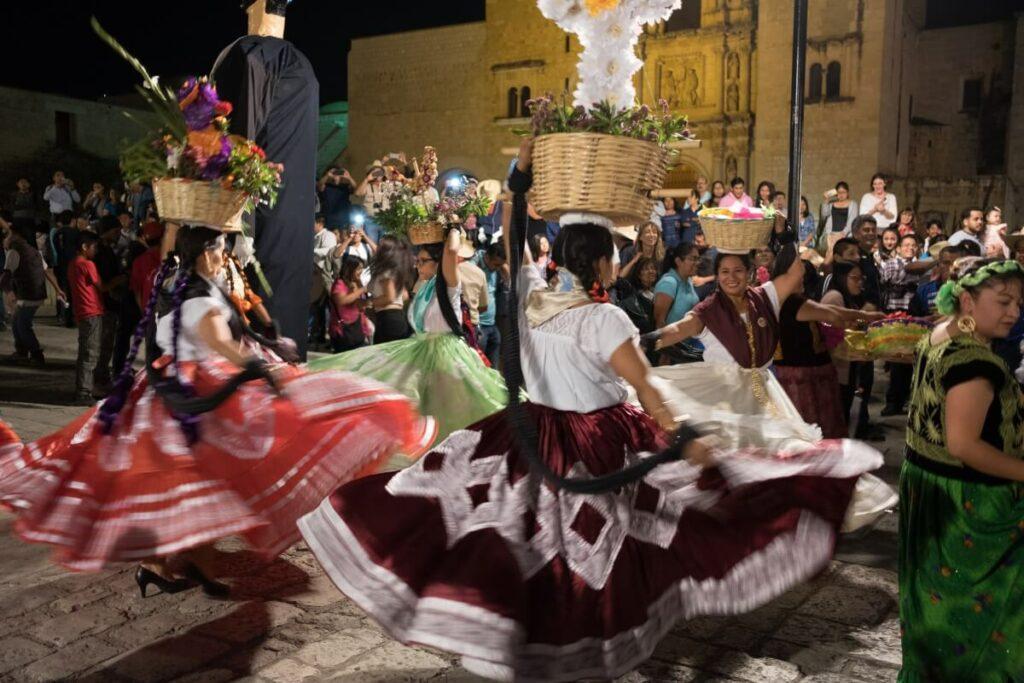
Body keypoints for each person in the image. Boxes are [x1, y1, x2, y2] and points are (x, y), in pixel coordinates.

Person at [296, 144, 886, 681]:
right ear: (603, 263)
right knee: (626, 542)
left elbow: (513, 235)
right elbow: (648, 391)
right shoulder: (604, 319)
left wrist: (519, 177)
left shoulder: (529, 295)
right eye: (613, 257)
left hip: (531, 431)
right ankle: (583, 640)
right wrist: (687, 438)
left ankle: (539, 638)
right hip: (598, 441)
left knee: (528, 541)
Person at [0, 223, 432, 588]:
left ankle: (177, 562)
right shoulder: (200, 297)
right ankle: (168, 562)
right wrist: (266, 371)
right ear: (206, 254)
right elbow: (220, 343)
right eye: (222, 249)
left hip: (165, 391)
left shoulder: (176, 283)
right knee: (200, 479)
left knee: (192, 485)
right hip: (187, 396)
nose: (226, 255)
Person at [898, 257, 1024, 681]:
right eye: (1003, 301)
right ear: (967, 300)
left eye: (1019, 302)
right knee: (982, 617)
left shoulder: (937, 334)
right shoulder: (976, 364)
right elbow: (964, 444)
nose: (1014, 312)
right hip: (968, 506)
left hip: (928, 489)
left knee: (935, 606)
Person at [308, 228, 507, 444]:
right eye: (418, 260)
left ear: (439, 262)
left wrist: (452, 227)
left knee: (450, 410)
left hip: (447, 355)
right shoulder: (427, 285)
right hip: (428, 350)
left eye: (423, 261)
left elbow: (450, 250)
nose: (417, 265)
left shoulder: (450, 285)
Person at [773, 256, 878, 439]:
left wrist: (864, 316)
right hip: (804, 377)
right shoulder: (793, 303)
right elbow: (832, 315)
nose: (804, 279)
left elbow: (832, 313)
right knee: (813, 430)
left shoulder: (788, 300)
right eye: (800, 275)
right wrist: (864, 317)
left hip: (801, 373)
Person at [821, 261, 879, 438]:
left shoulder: (846, 298)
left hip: (846, 368)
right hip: (835, 371)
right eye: (855, 278)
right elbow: (835, 337)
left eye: (862, 279)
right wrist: (862, 317)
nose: (859, 282)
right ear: (842, 278)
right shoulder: (834, 297)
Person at [2, 222, 64, 365]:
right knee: (17, 322)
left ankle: (36, 354)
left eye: (9, 234)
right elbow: (47, 271)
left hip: (27, 294)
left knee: (22, 324)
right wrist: (57, 289)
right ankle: (22, 351)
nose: (6, 238)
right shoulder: (33, 250)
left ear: (16, 236)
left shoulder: (14, 252)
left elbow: (4, 279)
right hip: (37, 293)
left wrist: (9, 293)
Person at [67, 231, 106, 404]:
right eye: (94, 247)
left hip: (82, 311)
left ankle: (84, 389)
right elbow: (101, 287)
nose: (96, 251)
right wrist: (120, 279)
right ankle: (83, 392)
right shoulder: (87, 264)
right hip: (91, 310)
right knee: (90, 353)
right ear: (84, 247)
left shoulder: (73, 264)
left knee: (85, 351)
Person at [366, 236, 413, 344]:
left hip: (389, 319)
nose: (377, 248)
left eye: (381, 246)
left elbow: (389, 297)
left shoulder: (386, 271)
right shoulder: (395, 270)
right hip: (395, 317)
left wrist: (367, 302)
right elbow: (405, 295)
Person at [328, 255, 370, 352]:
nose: (361, 272)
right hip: (342, 331)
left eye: (362, 269)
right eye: (359, 269)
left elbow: (359, 306)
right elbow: (342, 301)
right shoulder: (339, 283)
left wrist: (367, 303)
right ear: (350, 268)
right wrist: (361, 290)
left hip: (358, 329)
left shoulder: (358, 283)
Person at [474, 242, 507, 368]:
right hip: (479, 326)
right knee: (479, 366)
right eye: (496, 264)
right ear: (487, 257)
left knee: (494, 366)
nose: (498, 268)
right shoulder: (475, 265)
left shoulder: (498, 269)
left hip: (492, 324)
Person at [910, 244, 961, 318]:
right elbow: (912, 319)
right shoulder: (923, 291)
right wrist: (928, 320)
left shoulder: (969, 290)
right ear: (939, 264)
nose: (951, 267)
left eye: (956, 263)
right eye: (946, 263)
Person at [129, 221, 165, 311]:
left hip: (149, 311)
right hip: (166, 312)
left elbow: (137, 291)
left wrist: (143, 312)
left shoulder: (138, 261)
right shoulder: (170, 258)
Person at [818, 181, 859, 251]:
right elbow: (824, 215)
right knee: (829, 247)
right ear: (836, 193)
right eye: (839, 192)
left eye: (843, 192)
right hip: (830, 234)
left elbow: (852, 221)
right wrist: (826, 200)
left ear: (847, 193)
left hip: (845, 234)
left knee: (836, 248)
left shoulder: (853, 204)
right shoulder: (831, 204)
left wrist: (842, 234)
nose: (841, 195)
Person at [318, 166, 356, 231]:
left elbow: (355, 188)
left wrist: (349, 178)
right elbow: (319, 186)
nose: (336, 175)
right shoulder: (326, 185)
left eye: (338, 173)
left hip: (343, 217)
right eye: (334, 173)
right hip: (329, 217)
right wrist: (327, 175)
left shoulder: (345, 186)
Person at [10, 178, 41, 243]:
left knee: (31, 240)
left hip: (30, 220)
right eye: (21, 182)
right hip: (17, 220)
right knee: (18, 240)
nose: (23, 184)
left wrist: (37, 221)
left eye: (25, 182)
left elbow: (36, 207)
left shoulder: (33, 194)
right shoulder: (14, 195)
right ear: (18, 184)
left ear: (29, 184)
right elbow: (13, 207)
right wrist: (28, 206)